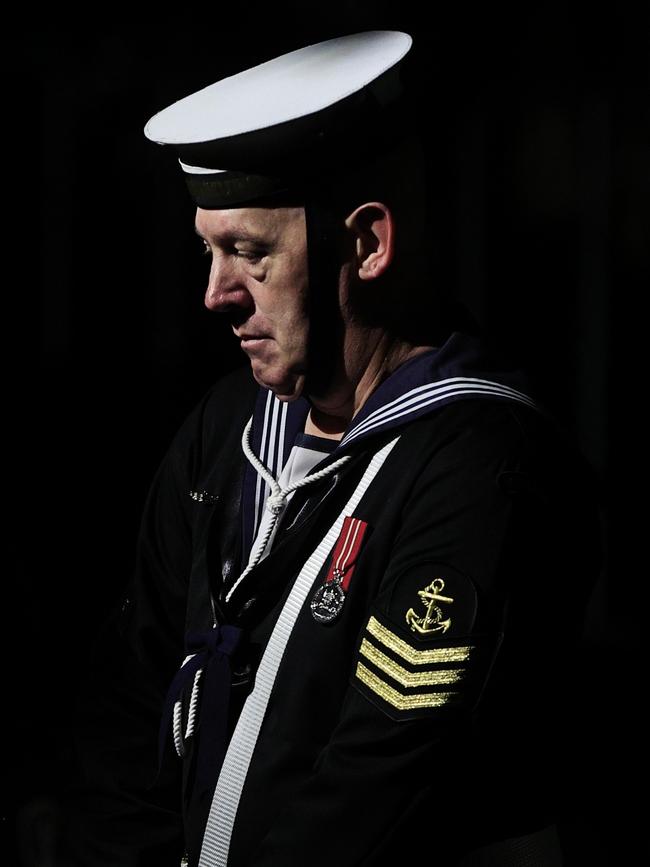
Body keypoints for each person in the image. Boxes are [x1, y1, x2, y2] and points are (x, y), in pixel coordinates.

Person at [61, 31, 603, 867]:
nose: (214, 294)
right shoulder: (225, 430)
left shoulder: (481, 467)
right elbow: (128, 703)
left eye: (249, 252)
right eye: (208, 251)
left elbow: (379, 787)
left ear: (367, 245)